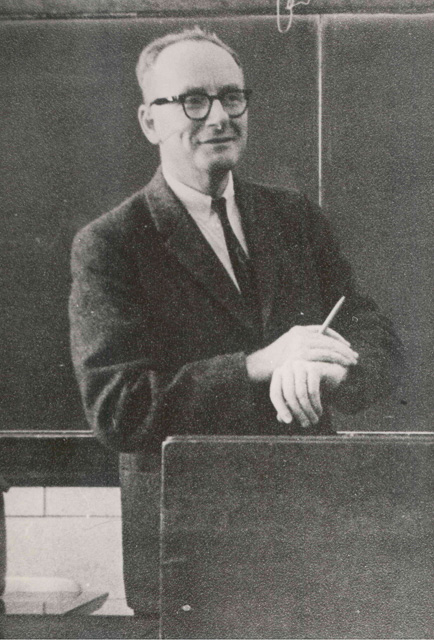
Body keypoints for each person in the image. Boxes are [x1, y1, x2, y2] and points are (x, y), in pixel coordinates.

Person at [69, 27, 403, 615]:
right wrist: (259, 365)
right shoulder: (111, 243)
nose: (220, 116)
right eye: (194, 101)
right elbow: (118, 408)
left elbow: (377, 339)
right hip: (190, 552)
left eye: (232, 97)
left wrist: (336, 368)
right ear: (149, 121)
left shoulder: (295, 218)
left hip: (314, 536)